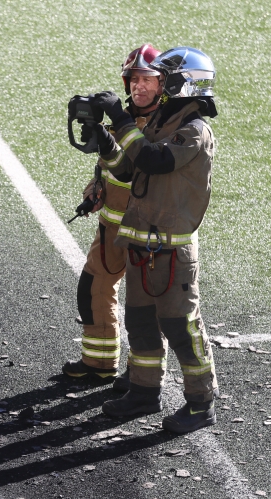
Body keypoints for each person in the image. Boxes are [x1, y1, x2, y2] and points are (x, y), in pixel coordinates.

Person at [89, 47, 220, 433]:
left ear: (182, 83)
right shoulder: (161, 123)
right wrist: (103, 140)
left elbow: (154, 161)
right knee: (141, 322)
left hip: (172, 250)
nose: (156, 84)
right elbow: (129, 169)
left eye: (163, 79)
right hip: (142, 245)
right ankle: (144, 393)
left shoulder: (193, 131)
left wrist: (120, 118)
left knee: (181, 326)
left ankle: (201, 402)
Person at [62, 44, 162, 386]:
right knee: (91, 290)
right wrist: (96, 190)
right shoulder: (128, 118)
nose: (139, 86)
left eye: (147, 79)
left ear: (163, 82)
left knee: (142, 310)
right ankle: (99, 363)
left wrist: (112, 131)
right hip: (111, 229)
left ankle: (141, 379)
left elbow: (135, 168)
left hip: (144, 236)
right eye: (134, 79)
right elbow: (112, 167)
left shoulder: (163, 125)